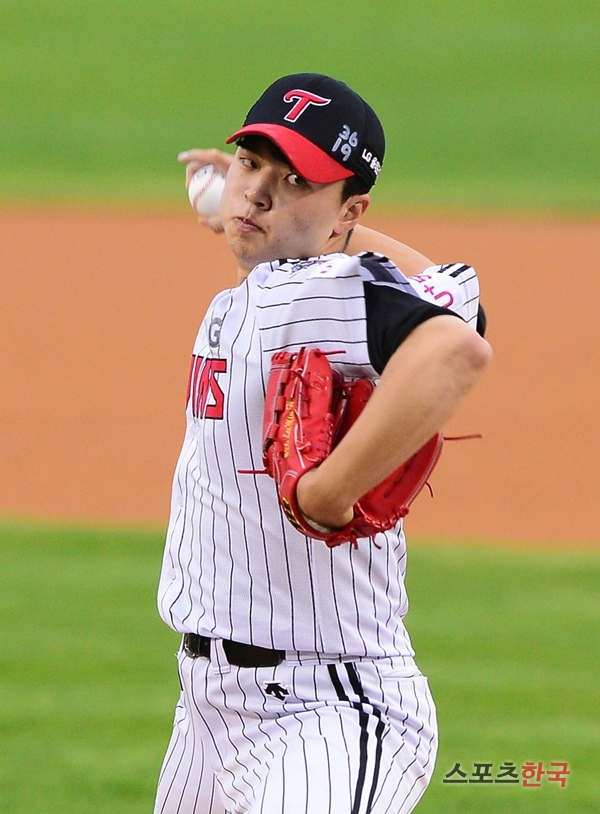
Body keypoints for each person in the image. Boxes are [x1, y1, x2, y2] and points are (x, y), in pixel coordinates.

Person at [154, 73, 491, 814]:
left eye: (298, 181)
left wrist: (329, 490)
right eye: (252, 165)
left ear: (350, 211)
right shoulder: (266, 291)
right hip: (209, 717)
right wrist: (241, 211)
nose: (259, 193)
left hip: (326, 712)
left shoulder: (315, 292)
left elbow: (456, 353)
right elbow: (452, 292)